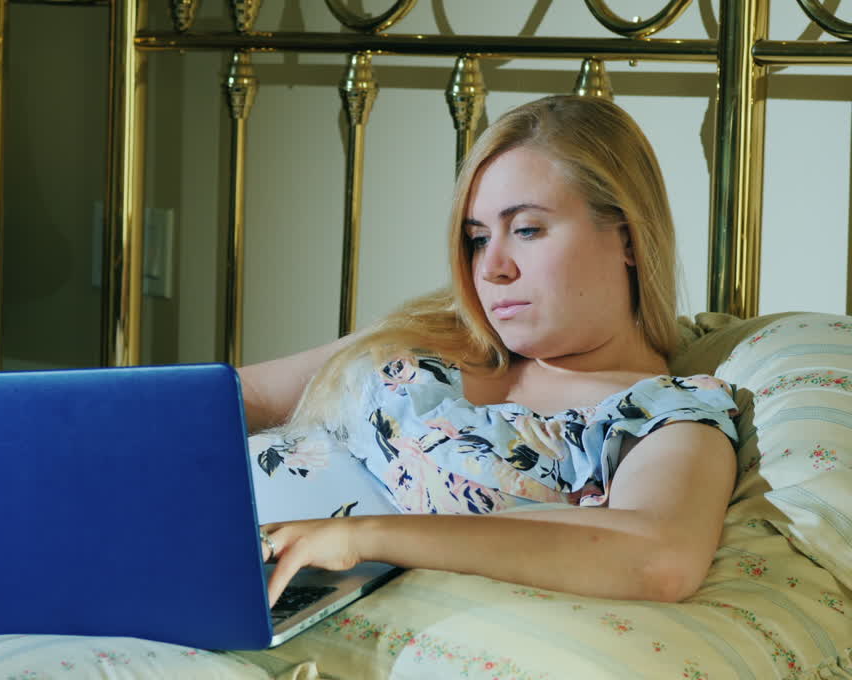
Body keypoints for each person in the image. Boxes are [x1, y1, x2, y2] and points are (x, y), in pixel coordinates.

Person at [240, 95, 740, 608]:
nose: (491, 268)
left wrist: (356, 537)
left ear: (630, 238)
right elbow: (244, 395)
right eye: (478, 239)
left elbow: (656, 559)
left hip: (280, 611)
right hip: (183, 543)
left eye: (526, 229)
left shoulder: (657, 415)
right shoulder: (428, 335)